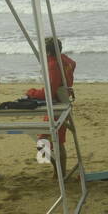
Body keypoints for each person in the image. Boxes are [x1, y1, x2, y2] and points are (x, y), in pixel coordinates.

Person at [39, 36, 76, 180]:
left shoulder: (54, 64)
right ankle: (59, 172)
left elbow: (51, 90)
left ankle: (59, 173)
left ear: (48, 52)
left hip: (57, 105)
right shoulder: (65, 60)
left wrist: (33, 93)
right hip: (63, 102)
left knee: (45, 142)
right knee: (55, 140)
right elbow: (73, 63)